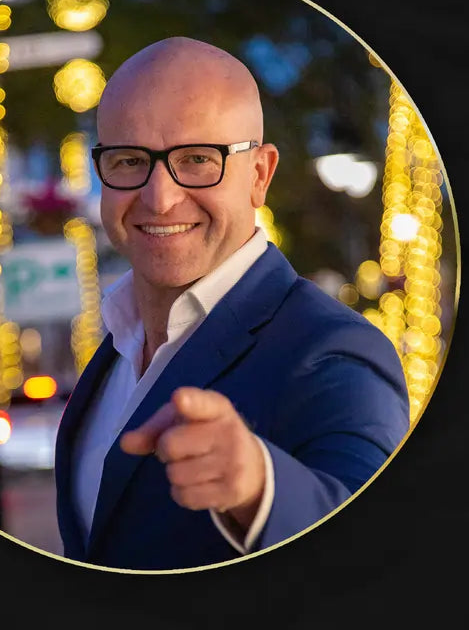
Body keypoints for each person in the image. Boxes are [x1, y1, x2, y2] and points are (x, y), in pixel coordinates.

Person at [53, 37, 410, 570]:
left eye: (197, 160)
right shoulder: (117, 346)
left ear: (260, 175)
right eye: (129, 160)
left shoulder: (333, 349)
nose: (159, 197)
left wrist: (259, 487)